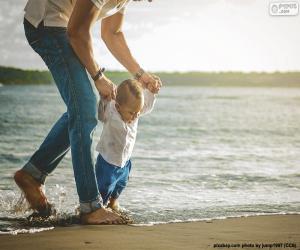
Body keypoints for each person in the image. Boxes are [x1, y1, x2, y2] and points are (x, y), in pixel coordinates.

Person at [14, 0, 161, 225]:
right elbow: (77, 31)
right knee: (84, 108)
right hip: (47, 25)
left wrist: (140, 75)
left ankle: (32, 175)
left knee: (85, 109)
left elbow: (113, 32)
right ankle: (90, 206)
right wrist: (98, 77)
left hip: (63, 26)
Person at [96, 79, 158, 212]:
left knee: (121, 184)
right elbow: (100, 115)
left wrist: (151, 92)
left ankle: (113, 203)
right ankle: (99, 208)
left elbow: (146, 105)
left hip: (125, 162)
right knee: (103, 188)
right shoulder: (111, 110)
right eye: (132, 113)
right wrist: (104, 100)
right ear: (118, 107)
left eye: (138, 112)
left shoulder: (135, 110)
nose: (135, 116)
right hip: (107, 162)